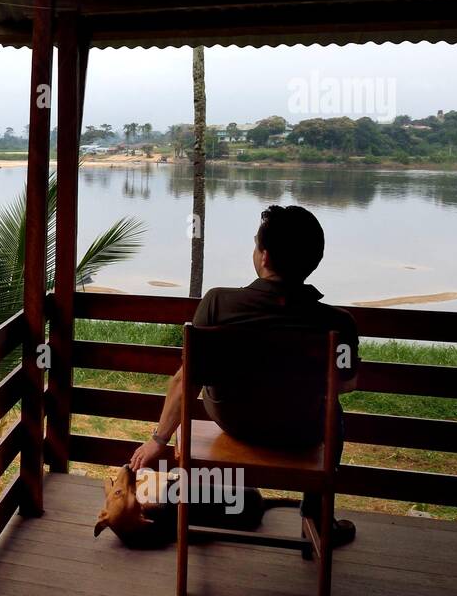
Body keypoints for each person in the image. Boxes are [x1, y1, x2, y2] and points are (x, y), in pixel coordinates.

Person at [129, 204, 360, 546]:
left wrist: (158, 440)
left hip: (235, 421)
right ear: (313, 260)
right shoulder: (338, 324)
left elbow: (185, 380)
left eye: (256, 244)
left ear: (264, 257)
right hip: (299, 432)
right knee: (333, 414)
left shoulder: (218, 304)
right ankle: (318, 516)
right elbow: (347, 384)